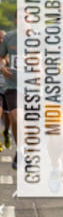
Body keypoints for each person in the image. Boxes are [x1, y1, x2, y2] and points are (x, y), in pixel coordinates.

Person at [0, 21, 17, 168]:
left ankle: (6, 132)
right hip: (3, 90)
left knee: (9, 117)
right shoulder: (2, 53)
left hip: (10, 88)